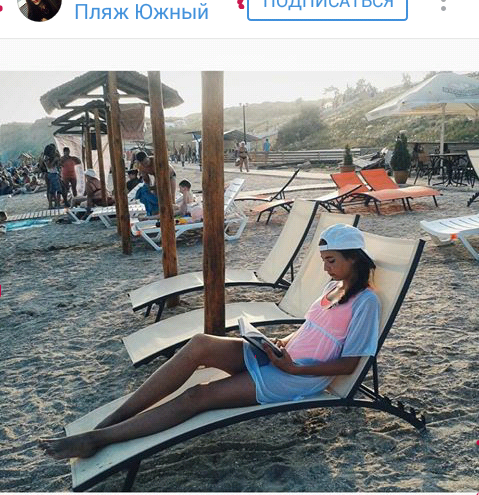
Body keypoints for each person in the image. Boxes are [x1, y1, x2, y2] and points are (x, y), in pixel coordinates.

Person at [39, 224, 379, 460]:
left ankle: (97, 439)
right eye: (324, 261)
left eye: (331, 261)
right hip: (281, 356)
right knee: (200, 343)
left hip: (297, 376)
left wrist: (291, 367)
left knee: (197, 396)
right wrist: (282, 341)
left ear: (353, 258)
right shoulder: (332, 287)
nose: (325, 268)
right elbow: (311, 327)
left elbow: (350, 363)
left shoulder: (366, 302)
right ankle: (112, 420)